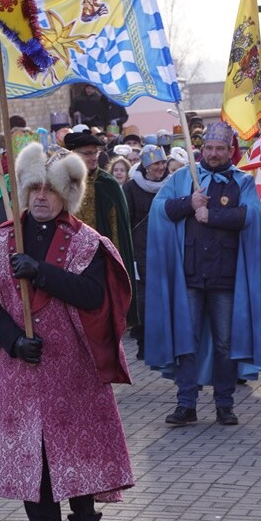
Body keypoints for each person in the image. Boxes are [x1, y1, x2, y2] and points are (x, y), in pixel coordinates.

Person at [0, 141, 134, 521]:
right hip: (22, 367)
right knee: (32, 458)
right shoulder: (1, 242)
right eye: (34, 188)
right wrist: (13, 341)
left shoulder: (86, 243)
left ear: (67, 195)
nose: (41, 196)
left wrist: (41, 272)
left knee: (75, 453)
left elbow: (92, 294)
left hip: (72, 366)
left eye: (50, 190)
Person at [145, 121, 261, 426]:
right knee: (188, 340)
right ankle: (186, 403)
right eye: (209, 148)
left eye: (220, 149)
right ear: (201, 149)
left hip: (226, 278)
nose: (213, 154)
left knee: (226, 343)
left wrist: (212, 215)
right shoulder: (183, 178)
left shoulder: (243, 182)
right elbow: (160, 210)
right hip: (189, 275)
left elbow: (250, 215)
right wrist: (190, 202)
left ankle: (224, 403)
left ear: (230, 150)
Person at [63, 125, 138, 327]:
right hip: (65, 264)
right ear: (73, 154)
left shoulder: (107, 184)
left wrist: (115, 267)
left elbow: (117, 231)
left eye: (96, 153)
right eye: (87, 153)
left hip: (98, 265)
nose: (93, 157)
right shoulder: (60, 182)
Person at [123, 144, 168, 361]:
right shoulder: (131, 188)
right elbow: (126, 219)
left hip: (165, 246)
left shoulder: (171, 184)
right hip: (140, 250)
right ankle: (144, 341)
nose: (160, 167)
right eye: (155, 163)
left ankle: (162, 342)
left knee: (163, 295)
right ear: (146, 166)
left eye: (162, 162)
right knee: (143, 297)